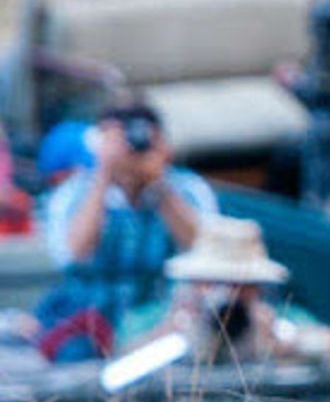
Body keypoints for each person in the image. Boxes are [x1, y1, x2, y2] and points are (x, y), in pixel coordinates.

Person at [37, 102, 216, 361]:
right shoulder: (74, 192)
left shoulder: (188, 189)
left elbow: (204, 250)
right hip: (91, 322)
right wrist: (104, 174)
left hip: (161, 318)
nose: (132, 148)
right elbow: (75, 252)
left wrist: (158, 185)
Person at [119, 215, 330, 365]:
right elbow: (117, 362)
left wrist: (283, 341)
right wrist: (169, 335)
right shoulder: (156, 318)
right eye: (213, 282)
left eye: (239, 284)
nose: (226, 294)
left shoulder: (281, 319)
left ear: (257, 288)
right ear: (193, 282)